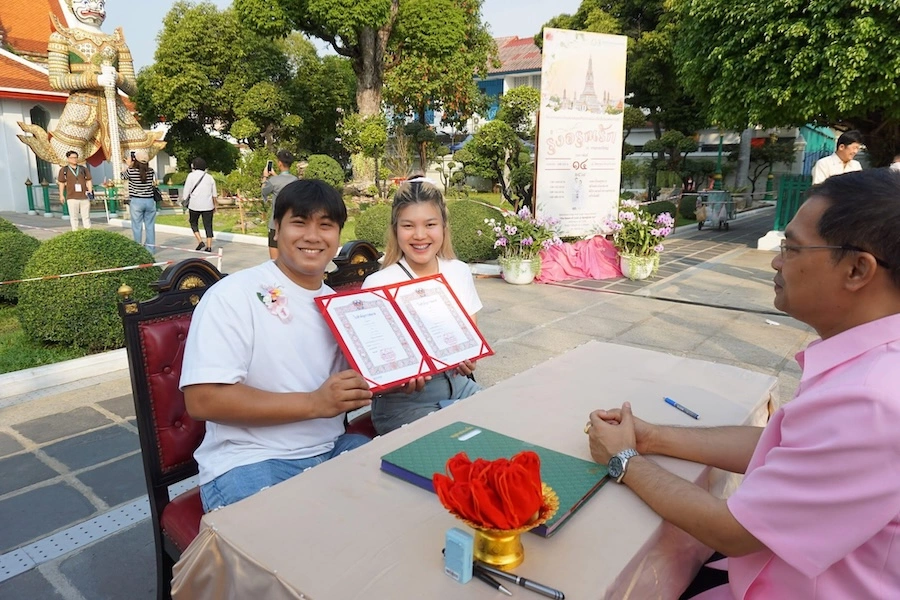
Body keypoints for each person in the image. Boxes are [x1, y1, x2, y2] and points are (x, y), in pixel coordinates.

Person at [586, 168, 900, 599]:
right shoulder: (872, 366)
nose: (775, 261)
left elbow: (735, 532)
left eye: (791, 248)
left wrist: (623, 459)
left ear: (857, 270)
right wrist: (652, 437)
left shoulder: (873, 400)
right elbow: (793, 445)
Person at [181, 179, 373, 512]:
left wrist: (400, 377)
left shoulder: (339, 307)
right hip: (249, 461)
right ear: (276, 228)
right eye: (299, 222)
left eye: (326, 225)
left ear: (338, 235)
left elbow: (353, 384)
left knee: (401, 510)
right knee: (294, 553)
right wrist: (315, 403)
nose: (313, 236)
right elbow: (202, 399)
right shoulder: (233, 295)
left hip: (331, 447)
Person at [361, 177, 482, 435]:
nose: (419, 235)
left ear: (444, 227)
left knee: (506, 428)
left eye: (430, 224)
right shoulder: (378, 284)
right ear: (395, 229)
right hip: (404, 404)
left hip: (461, 388)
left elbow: (470, 339)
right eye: (408, 225)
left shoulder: (458, 272)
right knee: (458, 444)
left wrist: (468, 356)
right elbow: (370, 371)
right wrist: (397, 380)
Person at [17, 0, 165, 166]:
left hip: (115, 108)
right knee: (66, 155)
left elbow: (132, 88)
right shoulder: (63, 37)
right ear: (71, 4)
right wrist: (96, 79)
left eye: (100, 3)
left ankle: (134, 188)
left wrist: (117, 78)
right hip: (81, 106)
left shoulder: (117, 43)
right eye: (86, 2)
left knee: (140, 153)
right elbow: (57, 80)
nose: (95, 7)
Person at [261, 150, 299, 260]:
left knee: (274, 260)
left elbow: (264, 191)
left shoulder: (274, 181)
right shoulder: (295, 180)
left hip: (275, 223)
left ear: (279, 163)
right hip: (291, 223)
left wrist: (265, 177)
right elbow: (284, 185)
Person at [182, 157, 218, 252]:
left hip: (194, 205)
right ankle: (209, 246)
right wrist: (215, 206)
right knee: (208, 225)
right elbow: (214, 194)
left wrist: (184, 200)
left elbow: (186, 191)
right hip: (208, 205)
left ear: (194, 166)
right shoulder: (210, 177)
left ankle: (200, 241)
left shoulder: (191, 176)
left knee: (193, 222)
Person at [122, 150, 156, 250]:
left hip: (136, 201)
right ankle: (150, 249)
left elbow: (122, 176)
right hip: (149, 200)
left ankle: (138, 248)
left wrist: (129, 165)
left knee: (137, 226)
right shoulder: (151, 171)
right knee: (150, 226)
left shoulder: (131, 171)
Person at [57, 150, 94, 231]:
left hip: (84, 196)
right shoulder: (64, 170)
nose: (74, 159)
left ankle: (88, 232)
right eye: (72, 158)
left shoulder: (83, 169)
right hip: (72, 197)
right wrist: (61, 195)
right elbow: (61, 183)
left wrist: (90, 192)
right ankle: (75, 232)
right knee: (74, 217)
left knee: (86, 216)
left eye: (76, 158)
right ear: (68, 159)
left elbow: (89, 180)